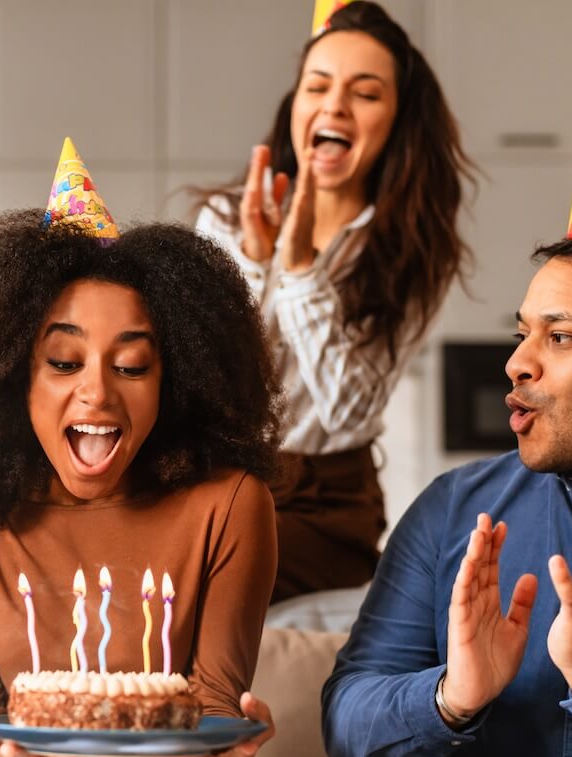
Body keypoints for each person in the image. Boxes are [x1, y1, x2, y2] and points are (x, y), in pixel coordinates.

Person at [0, 141, 281, 757]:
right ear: (11, 373)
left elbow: (216, 711)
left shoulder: (230, 507)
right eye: (63, 362)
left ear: (176, 379)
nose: (98, 394)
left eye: (132, 366)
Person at [322, 226, 572, 757]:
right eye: (523, 334)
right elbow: (346, 731)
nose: (517, 362)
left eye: (560, 337)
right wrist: (452, 698)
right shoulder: (455, 510)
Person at [194, 0, 474, 602]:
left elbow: (348, 411)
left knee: (206, 573)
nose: (334, 106)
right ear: (295, 106)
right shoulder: (224, 219)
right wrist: (252, 260)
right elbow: (202, 377)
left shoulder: (415, 255)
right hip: (213, 480)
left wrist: (297, 273)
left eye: (366, 93)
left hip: (327, 503)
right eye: (317, 86)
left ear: (399, 121)